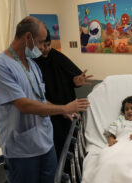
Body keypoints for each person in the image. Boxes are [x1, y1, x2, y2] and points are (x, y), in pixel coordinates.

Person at [0, 16, 89, 183]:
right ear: (28, 37)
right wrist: (64, 106)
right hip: (20, 144)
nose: (44, 48)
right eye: (42, 42)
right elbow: (23, 105)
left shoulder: (32, 65)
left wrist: (61, 110)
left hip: (44, 139)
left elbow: (41, 100)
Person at [33, 30, 93, 160]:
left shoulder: (57, 56)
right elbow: (35, 94)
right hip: (48, 110)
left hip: (68, 107)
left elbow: (74, 78)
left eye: (49, 45)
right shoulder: (32, 62)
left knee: (71, 143)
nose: (46, 49)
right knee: (56, 146)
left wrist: (77, 82)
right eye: (43, 46)